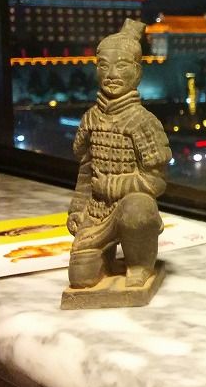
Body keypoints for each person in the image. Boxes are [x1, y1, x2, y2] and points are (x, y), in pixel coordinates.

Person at [67, 19, 171, 288]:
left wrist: (115, 185)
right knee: (81, 278)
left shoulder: (143, 122)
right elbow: (86, 172)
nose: (112, 74)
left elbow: (156, 182)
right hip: (96, 212)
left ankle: (140, 263)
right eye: (104, 65)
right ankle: (104, 255)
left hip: (131, 212)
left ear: (137, 71)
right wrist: (77, 210)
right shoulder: (91, 119)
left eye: (122, 65)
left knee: (138, 208)